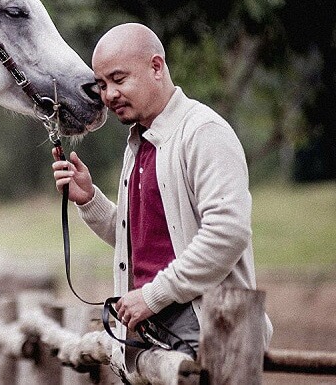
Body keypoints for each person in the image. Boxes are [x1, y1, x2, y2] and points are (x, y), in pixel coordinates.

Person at [52, 23, 272, 361]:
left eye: (118, 79)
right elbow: (142, 241)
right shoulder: (140, 143)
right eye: (102, 85)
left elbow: (227, 233)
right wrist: (90, 199)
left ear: (156, 67)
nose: (109, 95)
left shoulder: (203, 132)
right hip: (154, 328)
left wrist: (152, 296)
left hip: (210, 327)